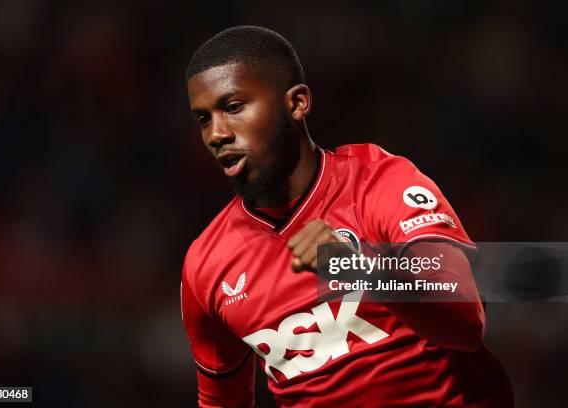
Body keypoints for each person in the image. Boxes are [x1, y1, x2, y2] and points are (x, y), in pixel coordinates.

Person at [181, 26, 513, 407]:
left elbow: (467, 322)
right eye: (203, 119)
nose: (216, 134)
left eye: (234, 107)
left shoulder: (379, 184)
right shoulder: (206, 265)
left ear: (297, 103)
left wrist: (361, 271)